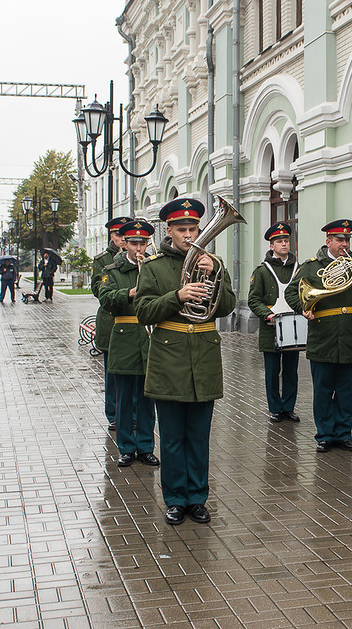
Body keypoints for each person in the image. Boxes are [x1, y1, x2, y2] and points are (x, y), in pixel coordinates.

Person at [135, 198, 236, 526]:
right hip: (169, 359)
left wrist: (216, 274)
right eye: (183, 230)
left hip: (204, 357)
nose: (190, 235)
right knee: (174, 436)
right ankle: (175, 498)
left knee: (199, 435)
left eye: (194, 229)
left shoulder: (213, 262)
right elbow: (144, 311)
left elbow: (227, 308)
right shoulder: (154, 266)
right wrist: (177, 296)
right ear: (170, 230)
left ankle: (198, 497)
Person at [285, 219, 352, 453]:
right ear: (328, 241)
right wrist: (303, 308)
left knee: (347, 390)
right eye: (340, 240)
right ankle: (325, 434)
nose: (344, 244)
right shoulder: (311, 266)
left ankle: (344, 433)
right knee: (324, 390)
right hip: (323, 335)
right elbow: (291, 292)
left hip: (350, 336)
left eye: (347, 239)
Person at [97, 220, 159, 469]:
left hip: (149, 336)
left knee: (147, 398)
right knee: (123, 398)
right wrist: (129, 294)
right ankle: (125, 447)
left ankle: (145, 446)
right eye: (134, 243)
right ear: (124, 244)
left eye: (142, 242)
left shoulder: (153, 267)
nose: (139, 247)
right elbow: (105, 298)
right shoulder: (112, 270)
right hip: (123, 336)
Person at [247, 222, 301, 423]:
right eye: (279, 241)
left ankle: (288, 407)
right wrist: (266, 314)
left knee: (290, 371)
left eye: (286, 240)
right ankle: (275, 408)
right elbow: (253, 299)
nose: (284, 244)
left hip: (293, 327)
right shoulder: (261, 271)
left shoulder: (298, 268)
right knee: (272, 371)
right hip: (271, 327)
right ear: (272, 246)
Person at [91, 216, 131, 430]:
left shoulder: (142, 256)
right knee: (113, 373)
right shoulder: (103, 260)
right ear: (112, 236)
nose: (122, 239)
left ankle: (133, 413)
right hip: (112, 322)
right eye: (118, 235)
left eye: (126, 235)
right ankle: (114, 414)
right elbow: (99, 290)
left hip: (137, 325)